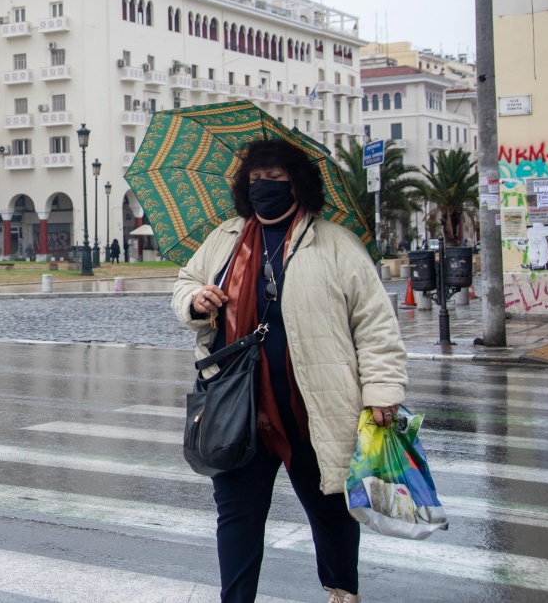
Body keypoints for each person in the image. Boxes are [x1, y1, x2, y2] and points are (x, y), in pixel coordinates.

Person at [171, 139, 407, 603]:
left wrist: (382, 391)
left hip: (315, 409)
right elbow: (185, 283)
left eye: (276, 180)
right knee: (236, 516)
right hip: (240, 408)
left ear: (298, 185)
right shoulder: (225, 239)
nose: (264, 188)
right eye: (256, 180)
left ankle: (342, 592)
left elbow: (375, 325)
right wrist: (196, 301)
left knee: (331, 511)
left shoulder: (336, 244)